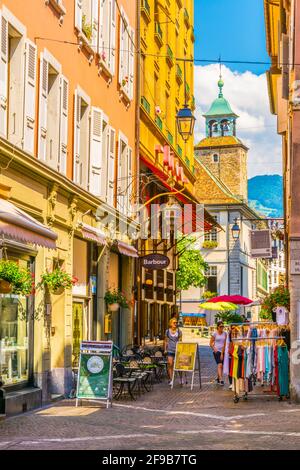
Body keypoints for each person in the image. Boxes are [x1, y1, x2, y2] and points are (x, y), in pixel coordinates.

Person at [164, 317, 182, 386]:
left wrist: (180, 347)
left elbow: (180, 340)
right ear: (170, 324)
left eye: (176, 322)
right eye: (174, 323)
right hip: (170, 350)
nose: (175, 324)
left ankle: (180, 378)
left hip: (177, 350)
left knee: (178, 366)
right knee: (170, 364)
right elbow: (166, 341)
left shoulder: (179, 331)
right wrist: (165, 349)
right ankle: (171, 379)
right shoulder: (167, 331)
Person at [210, 321, 227, 386]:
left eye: (223, 326)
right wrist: (214, 348)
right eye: (220, 326)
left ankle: (218, 378)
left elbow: (225, 344)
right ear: (218, 327)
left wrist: (222, 353)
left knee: (221, 366)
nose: (222, 328)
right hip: (216, 352)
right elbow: (210, 343)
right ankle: (221, 380)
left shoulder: (225, 333)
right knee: (220, 365)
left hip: (223, 351)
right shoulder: (215, 334)